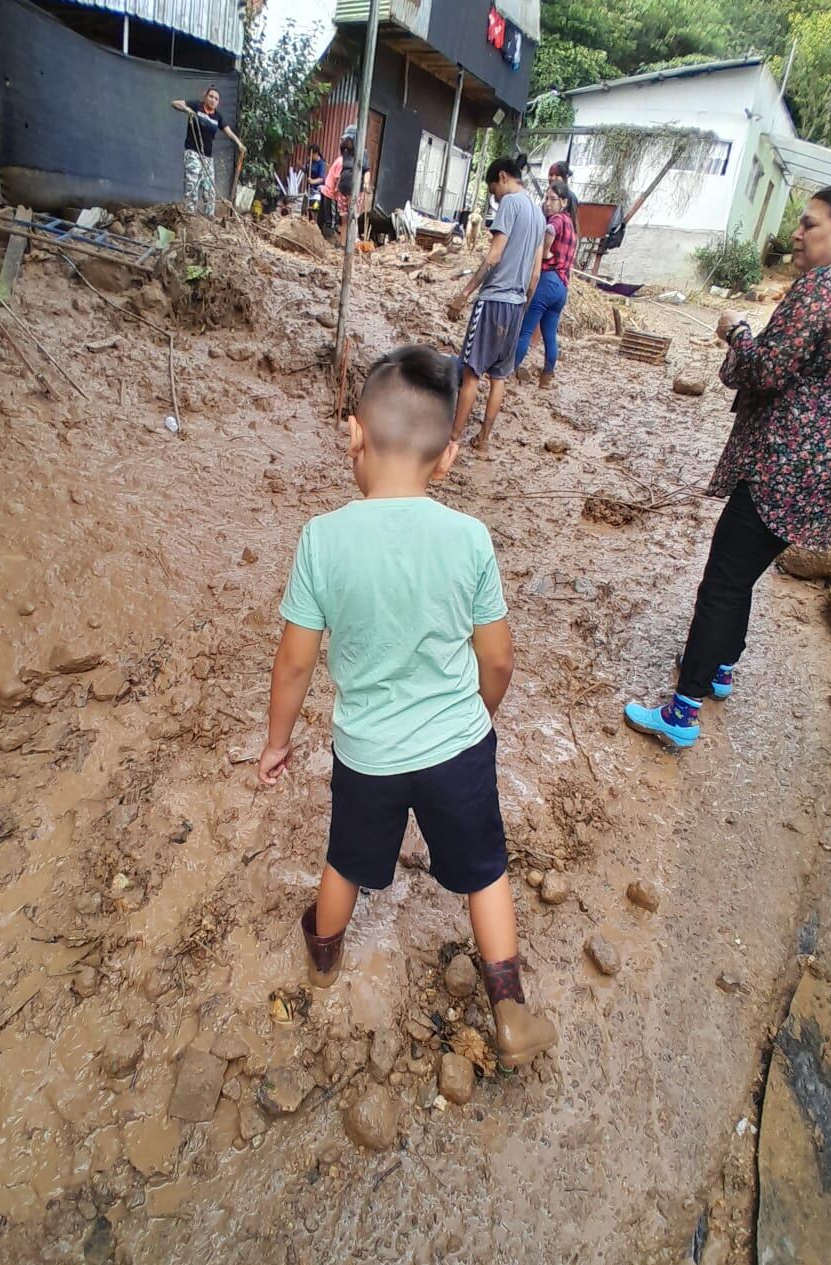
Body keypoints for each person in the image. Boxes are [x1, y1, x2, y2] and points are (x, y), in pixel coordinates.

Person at [257, 345, 558, 1072]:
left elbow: (295, 662)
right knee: (486, 869)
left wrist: (276, 741)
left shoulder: (322, 539)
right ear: (448, 458)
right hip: (458, 746)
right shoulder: (469, 538)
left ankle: (323, 958)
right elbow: (498, 659)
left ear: (354, 435)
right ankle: (510, 1008)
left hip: (368, 755)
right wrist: (478, 716)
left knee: (346, 860)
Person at [624, 187, 831, 749]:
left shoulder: (820, 289)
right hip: (814, 474)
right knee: (743, 576)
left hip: (779, 467)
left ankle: (681, 711)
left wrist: (737, 331)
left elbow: (763, 371)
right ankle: (721, 667)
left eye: (809, 225)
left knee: (721, 583)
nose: (796, 234)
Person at [448, 155, 546, 453]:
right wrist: (524, 306)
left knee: (471, 373)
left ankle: (452, 440)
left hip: (493, 301)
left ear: (502, 177)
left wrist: (464, 294)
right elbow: (536, 274)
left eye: (494, 191)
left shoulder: (510, 204)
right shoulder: (539, 215)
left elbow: (493, 256)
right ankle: (483, 439)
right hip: (517, 304)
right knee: (499, 377)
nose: (495, 198)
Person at [513, 179, 578, 389]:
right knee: (550, 336)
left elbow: (550, 229)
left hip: (548, 281)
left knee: (525, 331)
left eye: (553, 199)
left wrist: (546, 251)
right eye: (546, 198)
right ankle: (547, 378)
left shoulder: (557, 219)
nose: (547, 203)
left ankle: (506, 373)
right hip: (562, 287)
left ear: (564, 202)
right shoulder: (572, 225)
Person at [171, 86, 245, 218]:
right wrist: (188, 110)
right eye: (211, 96)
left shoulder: (218, 117)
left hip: (207, 158)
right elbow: (175, 103)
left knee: (210, 191)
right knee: (192, 187)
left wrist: (239, 144)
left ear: (218, 102)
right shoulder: (196, 106)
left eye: (216, 99)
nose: (213, 100)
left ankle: (209, 220)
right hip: (193, 153)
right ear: (205, 96)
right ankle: (189, 217)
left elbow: (228, 132)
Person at [319, 126, 371, 244]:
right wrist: (337, 187)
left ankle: (352, 245)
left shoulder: (363, 153)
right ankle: (343, 244)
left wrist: (366, 183)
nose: (346, 142)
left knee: (353, 218)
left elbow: (367, 170)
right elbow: (342, 171)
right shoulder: (346, 152)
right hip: (343, 190)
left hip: (355, 190)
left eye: (348, 139)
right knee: (344, 218)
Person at [307, 144, 325, 219]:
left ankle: (315, 222)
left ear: (316, 153)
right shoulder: (310, 162)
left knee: (315, 208)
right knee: (309, 209)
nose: (310, 156)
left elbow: (321, 179)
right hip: (310, 190)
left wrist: (312, 181)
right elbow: (308, 171)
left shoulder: (321, 163)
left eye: (312, 155)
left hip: (317, 191)